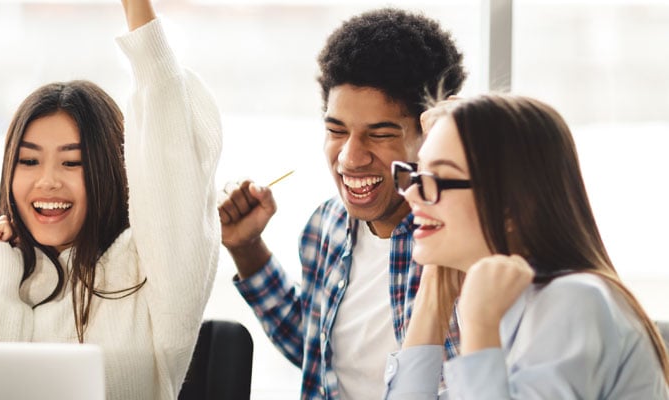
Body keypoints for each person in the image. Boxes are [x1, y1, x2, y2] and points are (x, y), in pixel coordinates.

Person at [0, 0, 222, 399]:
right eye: (29, 160)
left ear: (108, 170)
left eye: (72, 163)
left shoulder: (147, 270)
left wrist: (138, 11)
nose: (47, 181)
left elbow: (171, 154)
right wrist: (0, 278)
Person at [218, 7, 466, 399]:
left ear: (428, 131)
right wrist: (247, 249)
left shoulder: (461, 240)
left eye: (379, 134)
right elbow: (318, 351)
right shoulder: (325, 227)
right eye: (336, 130)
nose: (350, 158)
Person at [384, 94, 669, 399]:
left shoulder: (572, 300)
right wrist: (433, 295)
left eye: (436, 178)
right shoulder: (514, 301)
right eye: (415, 174)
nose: (411, 194)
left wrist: (481, 328)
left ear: (511, 204)